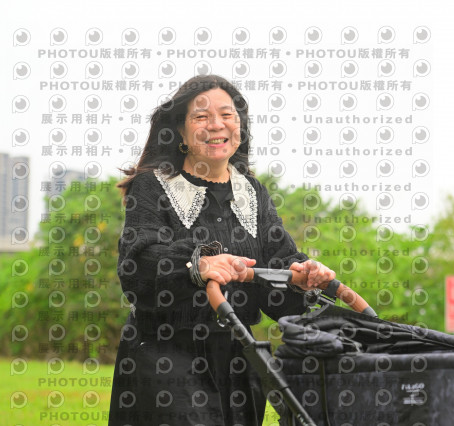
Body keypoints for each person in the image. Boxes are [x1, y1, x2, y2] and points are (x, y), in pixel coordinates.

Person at [108, 74, 336, 426]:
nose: (216, 125)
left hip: (238, 360)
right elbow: (137, 267)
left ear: (240, 126)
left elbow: (278, 271)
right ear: (180, 132)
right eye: (201, 117)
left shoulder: (253, 192)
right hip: (166, 358)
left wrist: (304, 275)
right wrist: (196, 266)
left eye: (227, 115)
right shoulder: (153, 186)